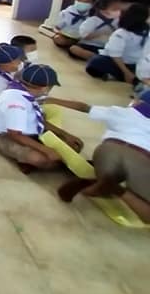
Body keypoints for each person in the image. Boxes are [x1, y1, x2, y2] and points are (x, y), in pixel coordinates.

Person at [56, 91, 150, 224]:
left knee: (108, 181)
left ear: (138, 102)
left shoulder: (121, 112)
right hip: (140, 157)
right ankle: (118, 190)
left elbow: (85, 107)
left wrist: (51, 100)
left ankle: (101, 184)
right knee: (141, 202)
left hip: (108, 151)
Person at [0, 64, 84, 171]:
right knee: (41, 159)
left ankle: (29, 158)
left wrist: (65, 134)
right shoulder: (16, 103)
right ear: (45, 88)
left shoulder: (28, 93)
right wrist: (47, 150)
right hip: (5, 136)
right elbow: (14, 134)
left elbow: (38, 120)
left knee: (75, 145)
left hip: (28, 131)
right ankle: (16, 155)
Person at [85, 4, 150, 83]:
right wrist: (126, 72)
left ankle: (121, 77)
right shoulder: (122, 33)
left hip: (136, 64)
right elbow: (115, 55)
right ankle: (130, 78)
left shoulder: (147, 33)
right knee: (95, 62)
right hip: (118, 63)